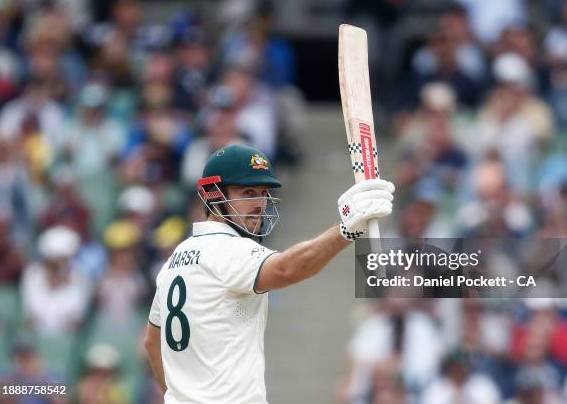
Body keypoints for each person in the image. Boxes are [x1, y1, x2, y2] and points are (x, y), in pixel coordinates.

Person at [143, 144, 394, 403]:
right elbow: (286, 269)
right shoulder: (229, 250)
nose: (260, 204)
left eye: (263, 193)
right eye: (248, 192)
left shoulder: (174, 259)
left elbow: (152, 342)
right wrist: (346, 230)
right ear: (213, 195)